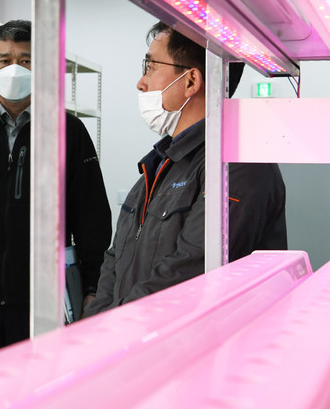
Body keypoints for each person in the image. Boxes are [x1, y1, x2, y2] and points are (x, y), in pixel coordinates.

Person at [0, 19, 112, 361]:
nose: (15, 68)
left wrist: (92, 287)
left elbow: (92, 218)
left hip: (45, 300)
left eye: (26, 60)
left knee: (43, 388)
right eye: (6, 59)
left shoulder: (68, 131)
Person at [85, 22, 287, 316]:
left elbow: (190, 270)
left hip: (188, 339)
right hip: (130, 334)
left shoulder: (236, 166)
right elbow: (115, 260)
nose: (141, 83)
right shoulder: (160, 164)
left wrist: (114, 323)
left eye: (150, 67)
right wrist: (97, 320)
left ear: (191, 81)